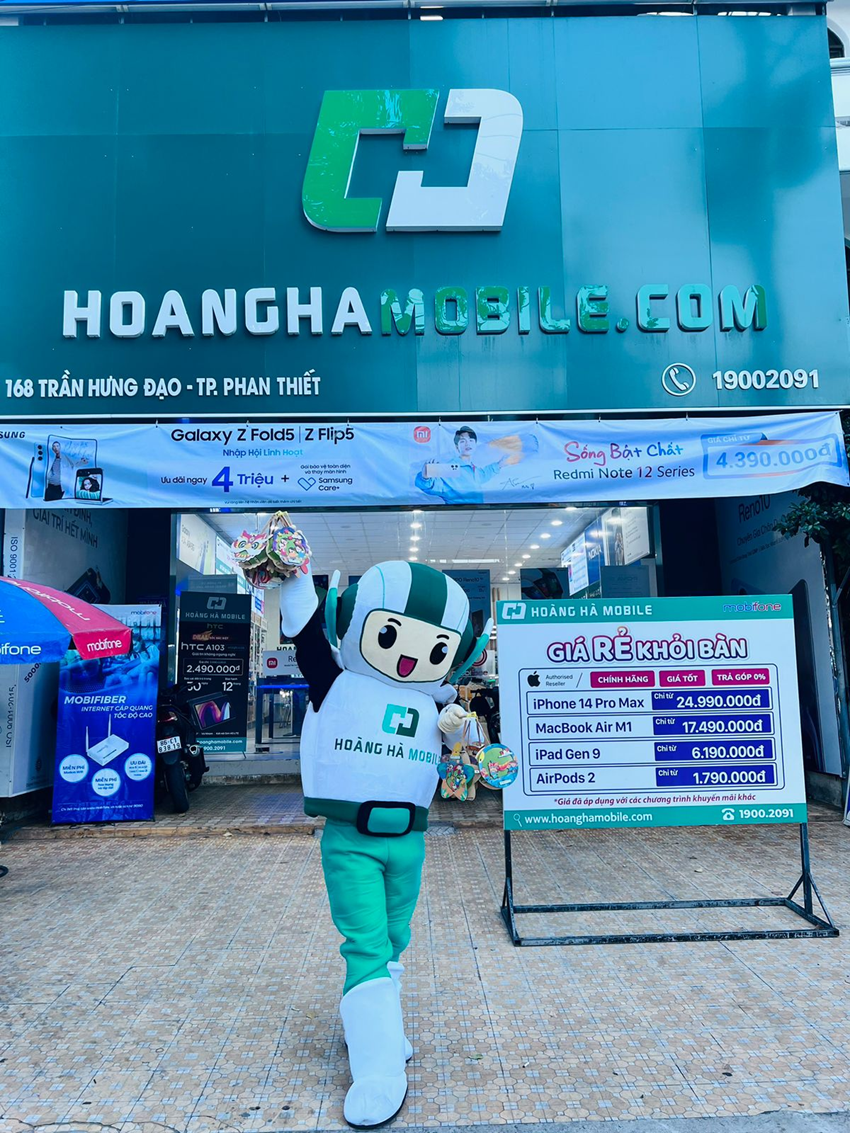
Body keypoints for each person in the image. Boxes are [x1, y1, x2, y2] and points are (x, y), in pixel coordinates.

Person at [278, 553, 490, 1127]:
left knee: (396, 939)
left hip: (411, 841)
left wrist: (461, 738)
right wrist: (295, 576)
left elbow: (462, 763)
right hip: (351, 839)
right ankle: (377, 1071)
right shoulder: (336, 684)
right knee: (367, 945)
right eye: (390, 634)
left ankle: (375, 1026)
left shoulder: (435, 704)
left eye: (436, 647)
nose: (410, 657)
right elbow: (306, 635)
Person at [415, 425, 507, 505]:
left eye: (471, 440)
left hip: (478, 514)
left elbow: (484, 474)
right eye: (462, 441)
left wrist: (500, 464)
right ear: (457, 446)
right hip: (457, 514)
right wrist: (425, 477)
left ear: (475, 444)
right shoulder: (452, 468)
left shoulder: (473, 468)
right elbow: (432, 484)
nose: (467, 443)